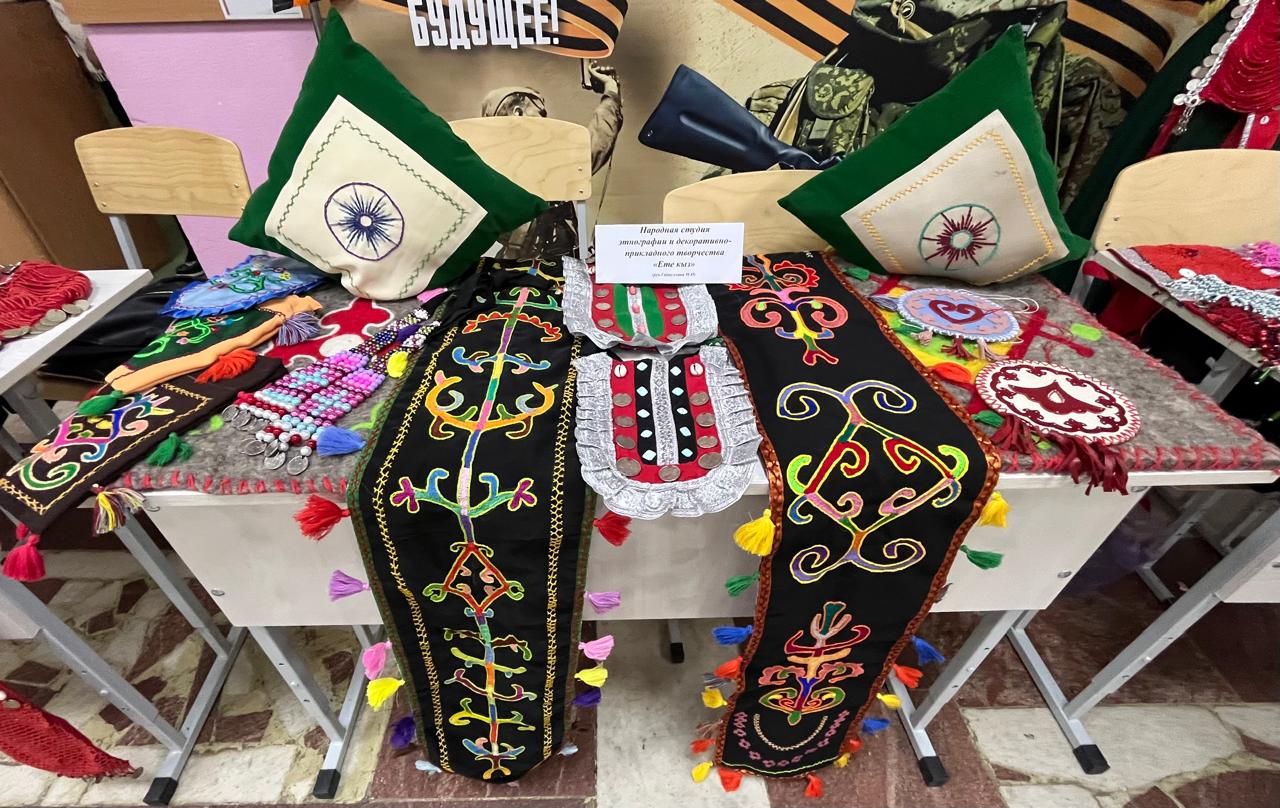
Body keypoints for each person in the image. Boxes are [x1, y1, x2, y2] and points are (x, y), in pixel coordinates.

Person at [481, 61, 623, 258]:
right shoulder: (535, 161)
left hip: (511, 265)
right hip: (546, 266)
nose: (547, 121)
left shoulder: (484, 165)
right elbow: (594, 144)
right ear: (518, 113)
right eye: (541, 113)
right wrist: (611, 91)